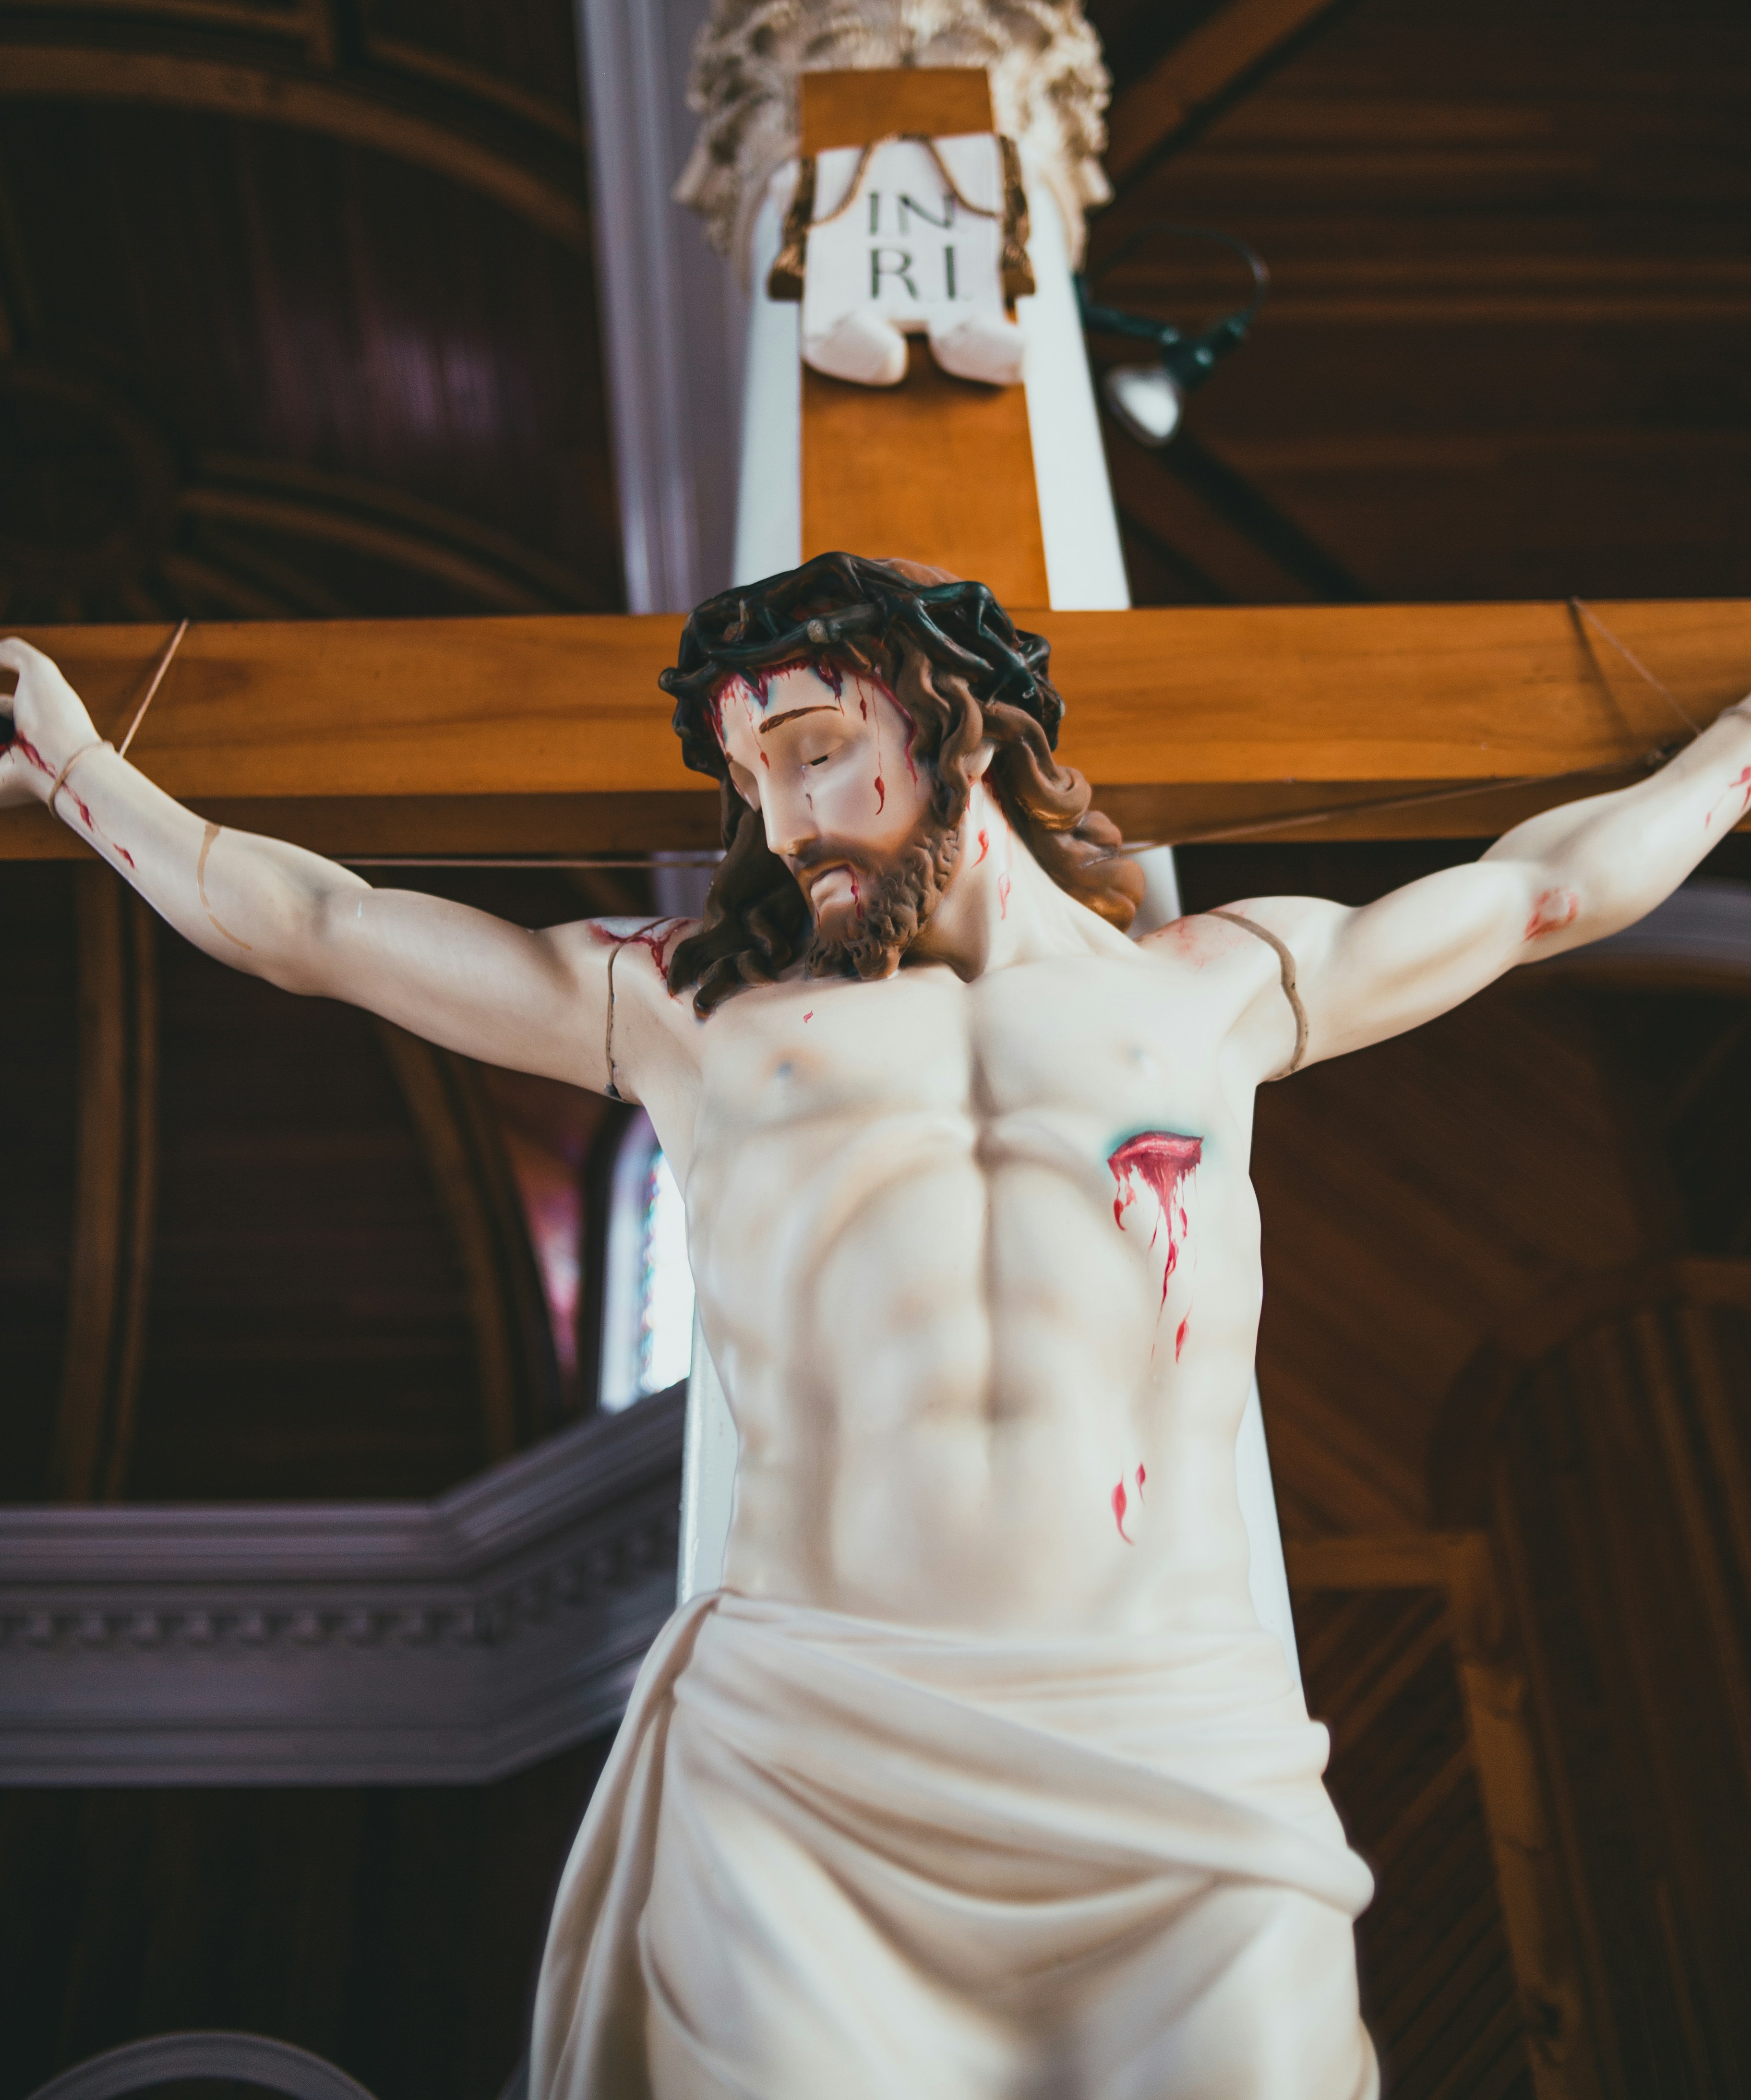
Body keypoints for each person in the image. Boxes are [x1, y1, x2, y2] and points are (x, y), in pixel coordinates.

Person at [5, 557, 1749, 2100]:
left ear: (958, 732)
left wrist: (1727, 761)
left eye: (817, 748)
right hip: (816, 1758)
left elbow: (1546, 893)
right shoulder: (693, 1014)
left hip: (1174, 1748)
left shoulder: (1215, 987)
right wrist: (85, 774)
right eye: (753, 778)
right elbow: (328, 931)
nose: (783, 821)